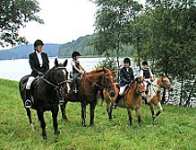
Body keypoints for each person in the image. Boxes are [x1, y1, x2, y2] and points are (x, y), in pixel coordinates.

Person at [25, 39, 49, 108]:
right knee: (28, 84)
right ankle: (28, 100)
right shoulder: (31, 55)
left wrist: (45, 73)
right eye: (39, 46)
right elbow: (32, 66)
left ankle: (57, 98)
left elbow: (47, 65)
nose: (41, 48)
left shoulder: (45, 55)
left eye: (42, 46)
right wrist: (38, 72)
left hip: (45, 74)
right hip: (35, 73)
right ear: (35, 47)